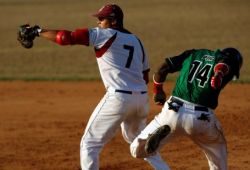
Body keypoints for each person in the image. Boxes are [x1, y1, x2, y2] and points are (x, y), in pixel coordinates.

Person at [18, 4, 169, 170]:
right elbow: (145, 75)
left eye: (101, 18)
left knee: (89, 144)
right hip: (141, 99)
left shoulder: (104, 35)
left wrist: (37, 31)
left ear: (113, 21)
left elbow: (65, 38)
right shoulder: (136, 41)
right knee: (141, 143)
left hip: (119, 98)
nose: (98, 22)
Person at [130, 47, 243, 170]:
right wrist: (218, 74)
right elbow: (223, 64)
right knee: (218, 154)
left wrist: (158, 90)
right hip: (201, 119)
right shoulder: (228, 59)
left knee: (136, 151)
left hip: (171, 112)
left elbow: (164, 68)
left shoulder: (193, 54)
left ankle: (151, 139)